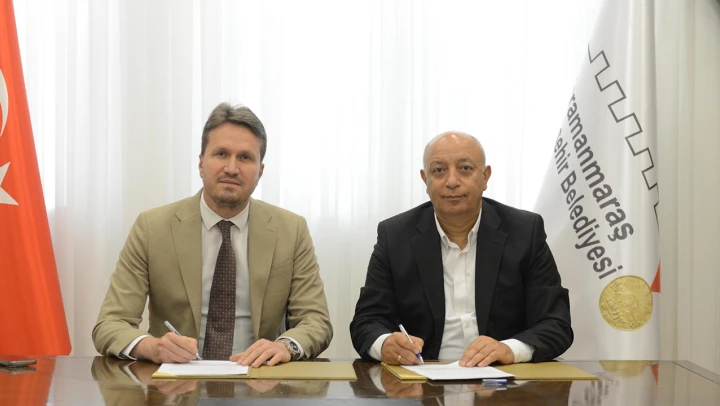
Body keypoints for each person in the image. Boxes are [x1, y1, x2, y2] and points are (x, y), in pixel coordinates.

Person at [93, 103, 332, 367]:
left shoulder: (291, 229)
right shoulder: (152, 228)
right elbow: (110, 324)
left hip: (259, 377)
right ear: (201, 164)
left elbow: (316, 321)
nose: (232, 168)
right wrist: (153, 347)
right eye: (221, 154)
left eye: (245, 158)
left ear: (260, 171)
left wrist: (284, 346)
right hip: (175, 380)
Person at [350, 131, 572, 367]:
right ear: (425, 180)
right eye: (439, 170)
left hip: (501, 377)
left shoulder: (524, 232)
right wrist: (385, 344)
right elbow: (367, 321)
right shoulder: (395, 236)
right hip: (421, 377)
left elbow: (555, 324)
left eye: (465, 168)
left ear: (485, 176)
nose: (452, 181)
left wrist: (510, 349)